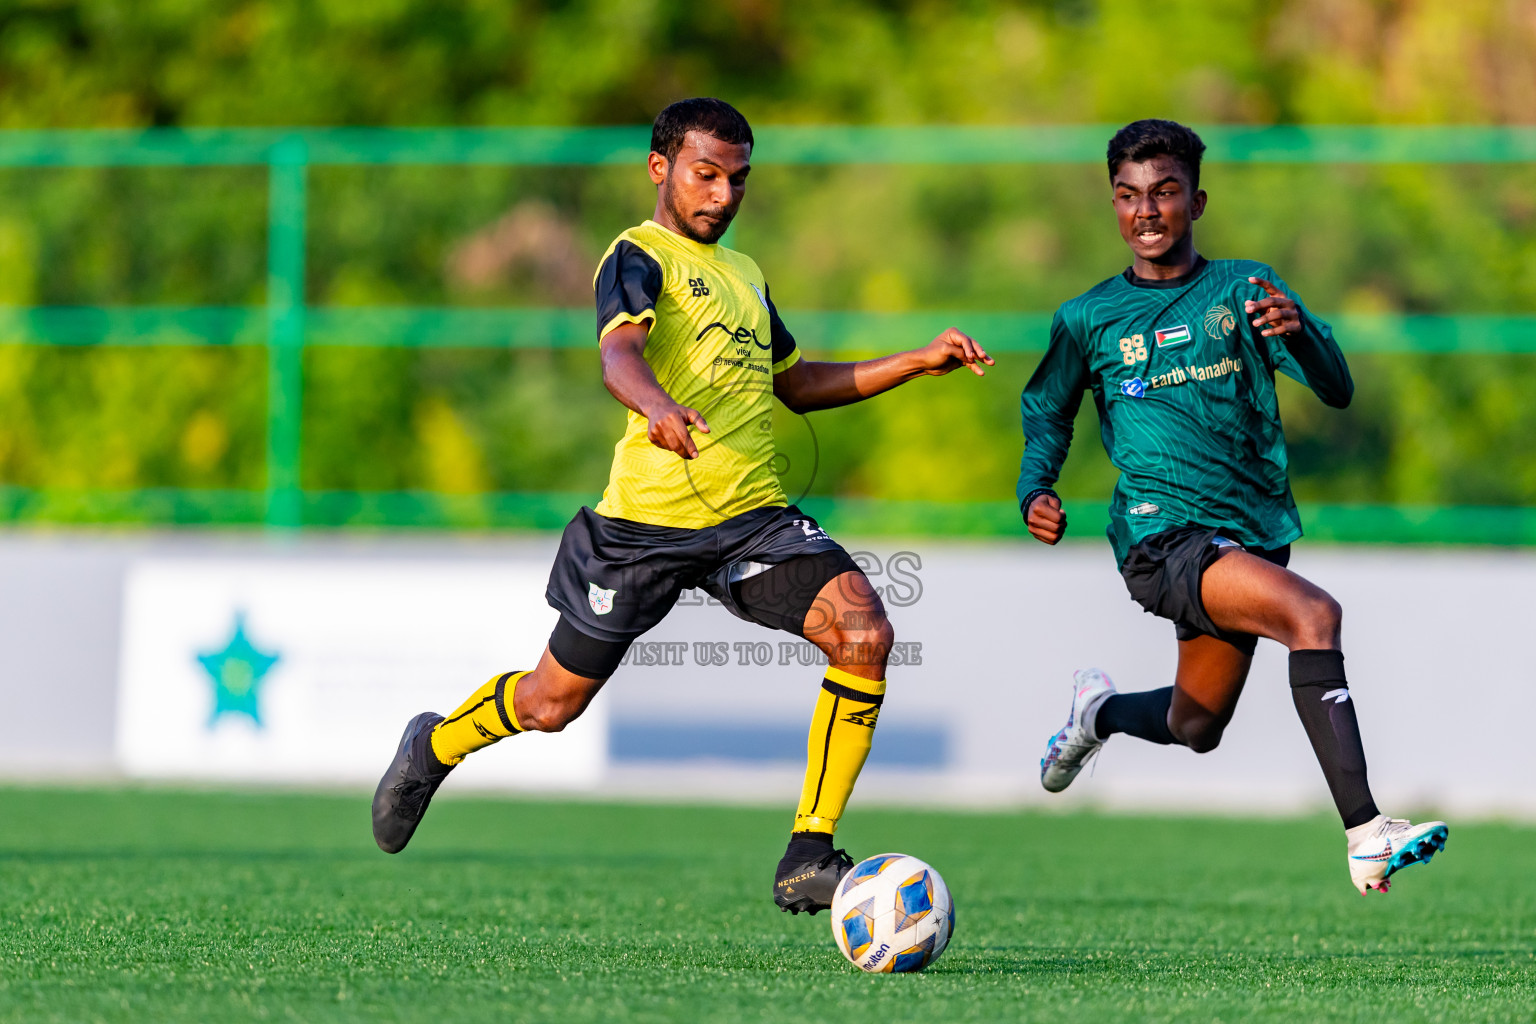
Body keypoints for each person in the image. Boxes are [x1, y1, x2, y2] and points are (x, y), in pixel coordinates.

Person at [372, 97, 993, 915]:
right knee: (551, 704)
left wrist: (916, 360)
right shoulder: (638, 255)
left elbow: (796, 384)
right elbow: (617, 356)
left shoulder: (745, 276)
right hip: (644, 528)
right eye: (707, 175)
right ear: (662, 168)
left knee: (864, 631)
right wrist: (658, 407)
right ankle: (436, 745)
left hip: (751, 519)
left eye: (738, 179)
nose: (724, 195)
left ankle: (808, 853)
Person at [1018, 118, 1446, 895]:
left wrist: (1305, 336)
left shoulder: (1246, 289)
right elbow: (1048, 408)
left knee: (1196, 725)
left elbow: (1337, 389)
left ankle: (1097, 714)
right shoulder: (1088, 318)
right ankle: (1366, 832)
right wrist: (1035, 488)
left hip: (1248, 535)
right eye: (1128, 196)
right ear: (1113, 205)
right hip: (1161, 539)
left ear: (1197, 200)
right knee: (1314, 617)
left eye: (1166, 192)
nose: (1147, 211)